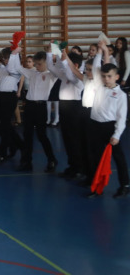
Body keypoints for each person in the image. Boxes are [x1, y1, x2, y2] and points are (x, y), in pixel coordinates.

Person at [86, 41, 128, 198]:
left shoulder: (121, 95)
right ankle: (97, 186)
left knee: (118, 157)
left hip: (110, 127)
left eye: (109, 76)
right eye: (103, 76)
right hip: (94, 126)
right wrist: (100, 51)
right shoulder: (99, 85)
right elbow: (96, 67)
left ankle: (125, 185)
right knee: (95, 157)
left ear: (117, 77)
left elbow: (121, 117)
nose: (106, 79)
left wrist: (117, 135)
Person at [9, 49, 58, 172]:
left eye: (40, 64)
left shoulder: (52, 74)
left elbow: (54, 66)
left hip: (41, 107)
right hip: (29, 106)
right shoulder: (32, 73)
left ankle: (51, 159)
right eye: (36, 64)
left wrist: (50, 54)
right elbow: (17, 67)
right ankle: (26, 162)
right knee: (27, 135)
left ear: (46, 63)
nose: (37, 66)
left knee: (41, 135)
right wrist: (14, 54)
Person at [50, 48, 85, 179]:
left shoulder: (80, 77)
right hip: (64, 107)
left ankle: (79, 168)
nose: (63, 64)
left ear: (75, 65)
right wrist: (50, 53)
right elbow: (51, 67)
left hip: (74, 109)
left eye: (66, 62)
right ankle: (72, 166)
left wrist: (65, 60)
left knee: (75, 139)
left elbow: (71, 76)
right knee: (67, 139)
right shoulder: (65, 75)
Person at [0, 48, 24, 165]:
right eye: (4, 58)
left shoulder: (16, 69)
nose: (5, 60)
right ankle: (20, 146)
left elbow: (11, 67)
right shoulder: (2, 68)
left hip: (9, 97)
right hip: (0, 97)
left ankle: (2, 154)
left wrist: (14, 53)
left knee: (5, 126)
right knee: (5, 126)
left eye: (7, 58)